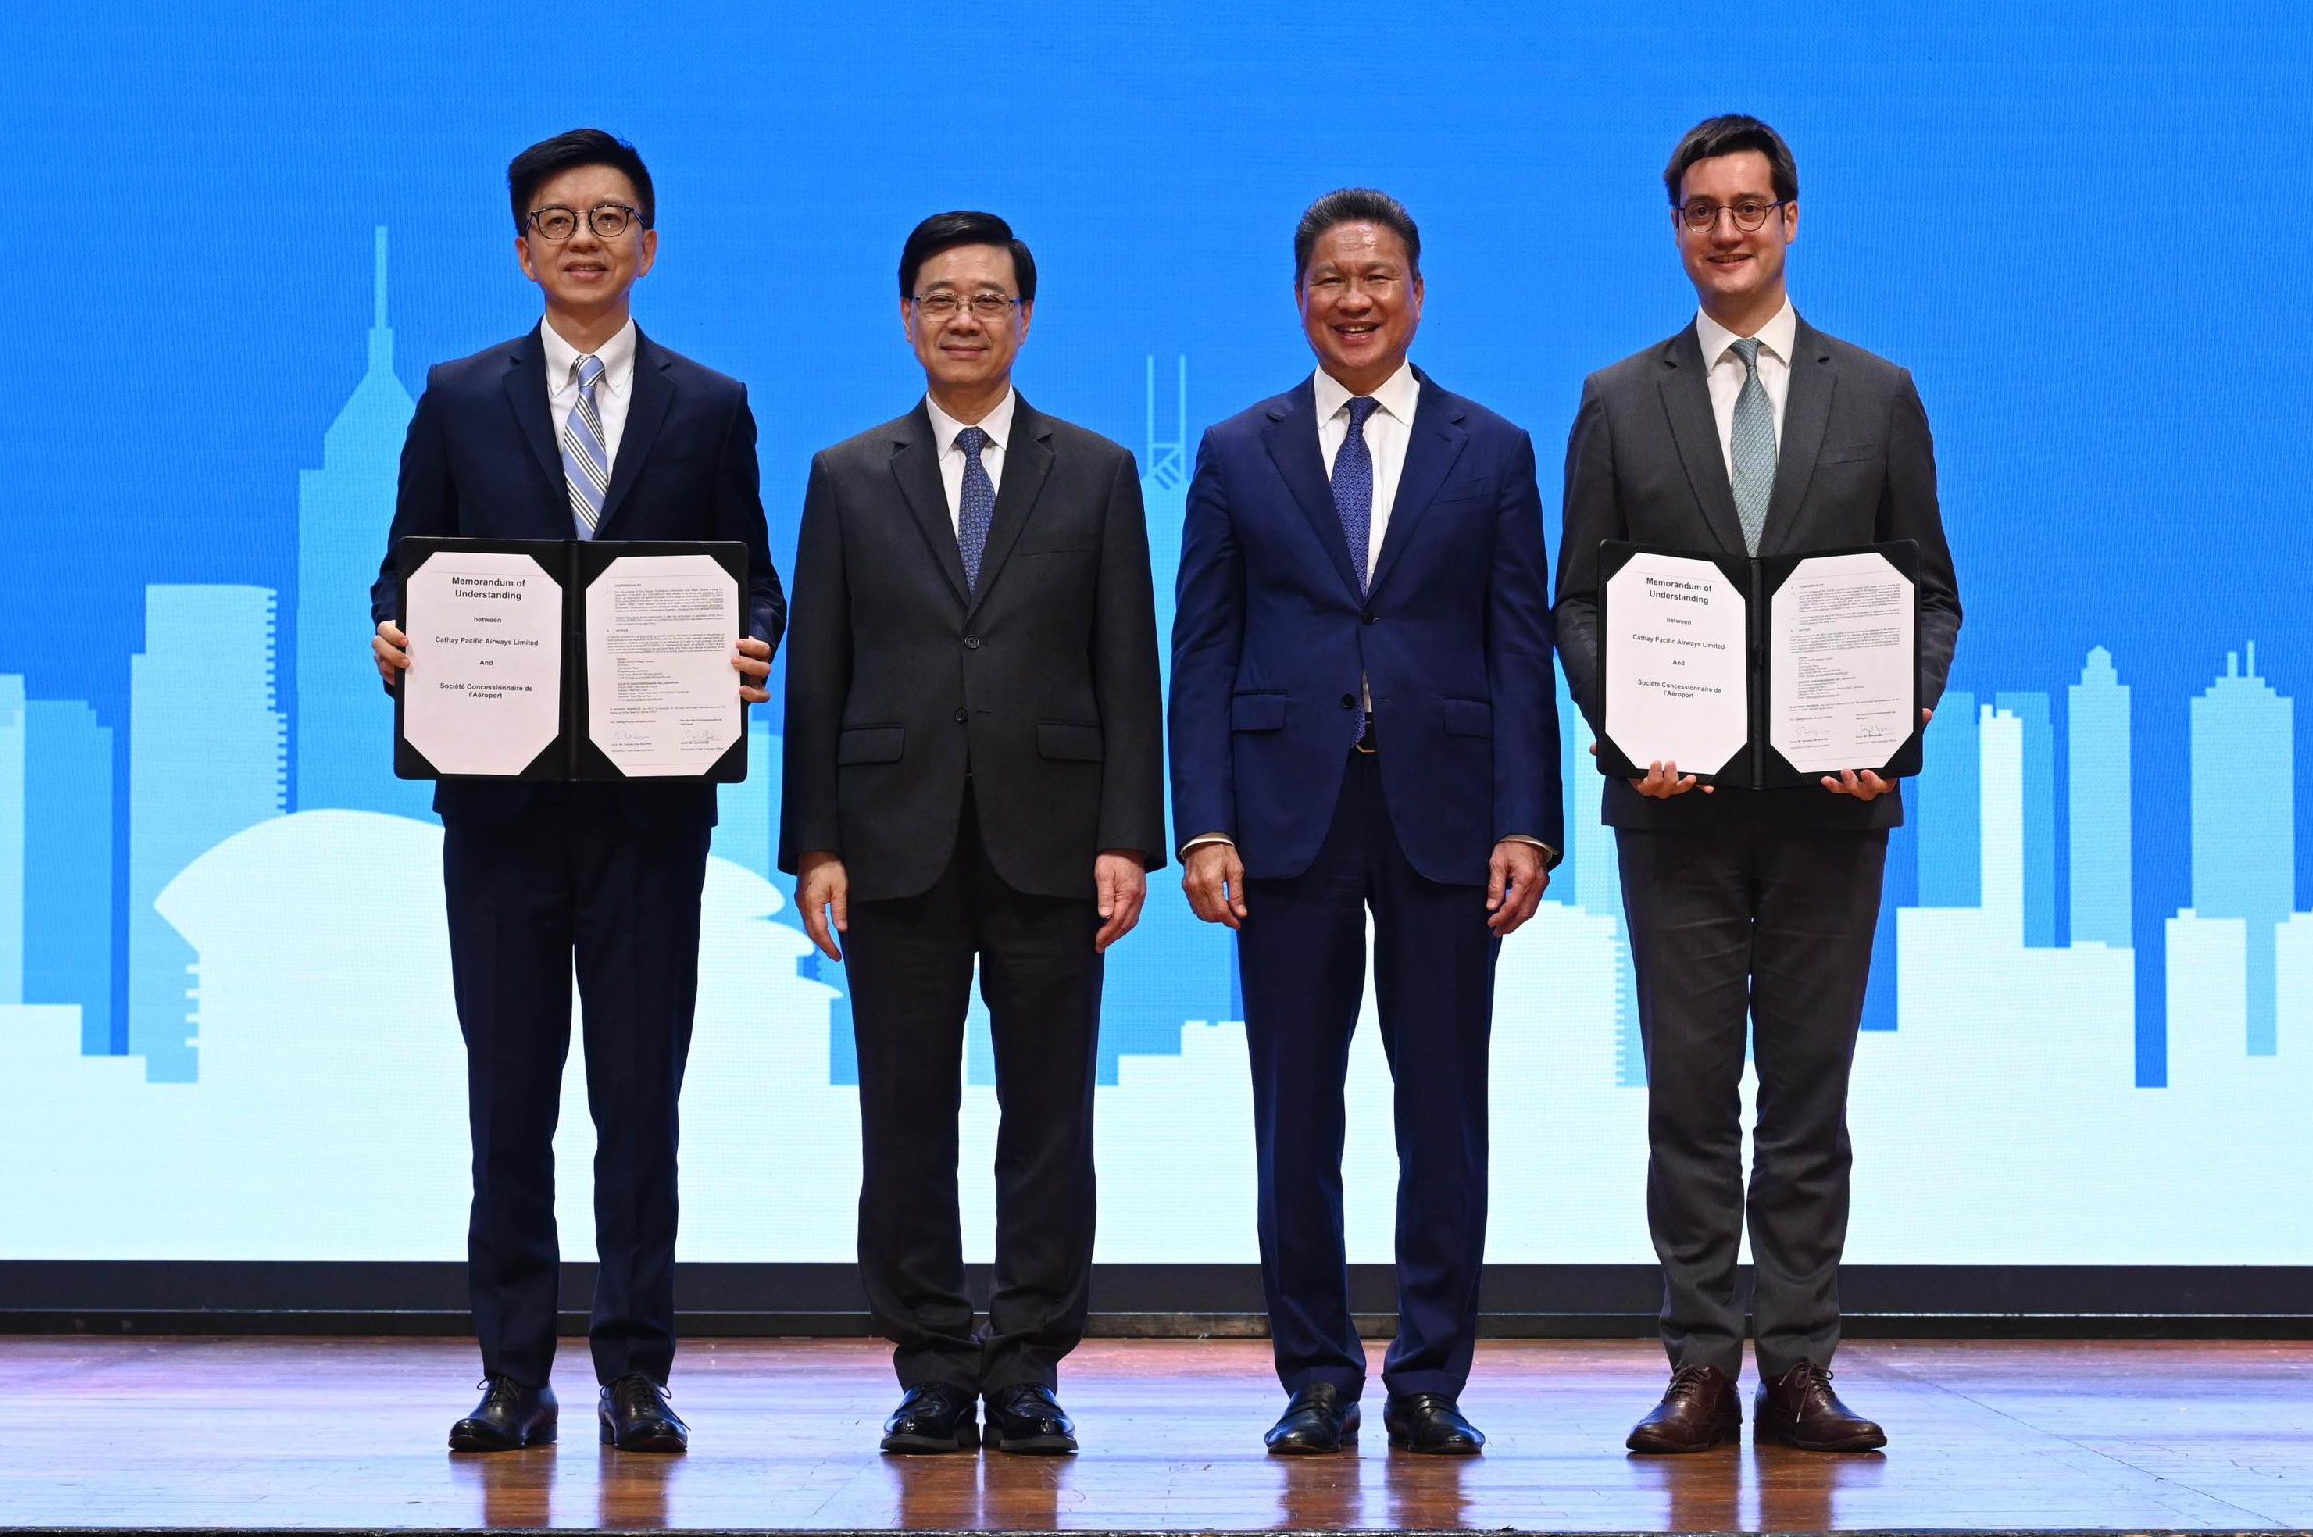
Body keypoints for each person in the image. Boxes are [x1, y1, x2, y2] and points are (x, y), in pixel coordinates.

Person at [368, 128, 784, 1457]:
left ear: (649, 243)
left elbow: (754, 574)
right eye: (560, 219)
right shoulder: (455, 395)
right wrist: (393, 631)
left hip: (653, 817)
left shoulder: (709, 403)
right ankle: (511, 1373)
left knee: (639, 1106)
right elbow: (403, 570)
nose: (587, 238)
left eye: (612, 217)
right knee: (510, 1100)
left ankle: (637, 1372)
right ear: (524, 249)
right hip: (496, 816)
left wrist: (752, 639)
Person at [1551, 113, 1961, 1458]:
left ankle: (1797, 1364)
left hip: (1831, 804)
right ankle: (1692, 1365)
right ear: (1676, 229)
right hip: (1673, 804)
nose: (1724, 231)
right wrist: (1625, 728)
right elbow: (1581, 602)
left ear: (1792, 219)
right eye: (1698, 210)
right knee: (1685, 1092)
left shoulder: (1880, 390)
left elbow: (1930, 591)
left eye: (1747, 207)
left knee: (1805, 1097)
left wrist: (1891, 723)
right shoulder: (1619, 395)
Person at [1169, 189, 1563, 1459]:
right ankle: (1319, 1375)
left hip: (1447, 818)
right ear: (1301, 297)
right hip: (1284, 820)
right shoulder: (1239, 446)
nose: (1355, 298)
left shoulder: (1491, 446)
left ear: (1417, 292)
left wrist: (1530, 822)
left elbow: (1518, 646)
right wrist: (1203, 824)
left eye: (1378, 275)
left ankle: (1433, 1375)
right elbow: (1205, 649)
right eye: (1332, 278)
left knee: (1443, 1106)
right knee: (1297, 1110)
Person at [778, 211, 1167, 1459]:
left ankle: (1032, 1360)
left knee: (1049, 1116)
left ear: (1025, 318)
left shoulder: (1096, 470)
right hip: (890, 840)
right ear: (905, 317)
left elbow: (1127, 664)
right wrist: (814, 842)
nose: (963, 317)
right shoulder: (846, 472)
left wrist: (1129, 833)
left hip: (1054, 840)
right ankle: (935, 1360)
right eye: (939, 297)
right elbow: (820, 668)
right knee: (903, 1113)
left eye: (988, 298)